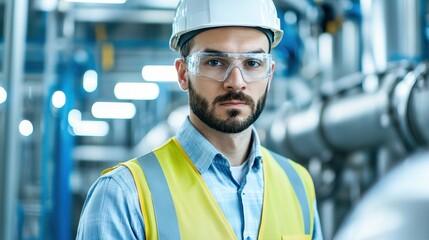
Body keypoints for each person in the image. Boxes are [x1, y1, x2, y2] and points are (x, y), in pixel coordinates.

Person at [77, 0, 323, 239]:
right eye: (215, 62)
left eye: (252, 63)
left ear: (269, 74)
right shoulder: (123, 196)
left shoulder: (298, 185)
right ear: (183, 74)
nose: (236, 81)